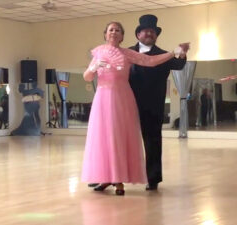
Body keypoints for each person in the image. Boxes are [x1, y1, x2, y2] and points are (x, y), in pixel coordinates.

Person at [81, 21, 188, 195]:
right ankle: (105, 177)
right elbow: (87, 77)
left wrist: (173, 53)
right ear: (105, 34)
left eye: (117, 30)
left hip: (122, 97)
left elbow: (151, 61)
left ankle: (120, 178)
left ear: (122, 36)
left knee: (120, 137)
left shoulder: (128, 53)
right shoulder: (98, 52)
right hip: (102, 97)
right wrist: (93, 68)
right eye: (111, 30)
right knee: (103, 137)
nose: (114, 32)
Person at [129, 14, 190, 191]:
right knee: (120, 140)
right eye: (145, 31)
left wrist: (182, 53)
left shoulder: (163, 55)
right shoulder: (128, 52)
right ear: (138, 34)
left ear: (156, 35)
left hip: (153, 106)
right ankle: (113, 176)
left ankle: (153, 178)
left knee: (152, 142)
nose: (149, 33)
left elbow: (178, 65)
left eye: (152, 31)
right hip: (128, 104)